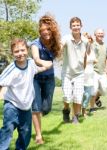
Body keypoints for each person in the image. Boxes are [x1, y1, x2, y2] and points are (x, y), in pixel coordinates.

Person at [0, 38, 52, 150]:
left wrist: (46, 66)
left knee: (26, 132)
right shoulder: (11, 69)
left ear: (27, 50)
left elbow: (36, 70)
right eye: (16, 51)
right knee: (8, 128)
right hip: (12, 105)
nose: (20, 54)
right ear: (12, 53)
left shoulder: (31, 63)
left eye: (22, 50)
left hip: (26, 106)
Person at [31, 14, 61, 144]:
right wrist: (44, 63)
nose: (45, 32)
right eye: (42, 30)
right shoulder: (35, 43)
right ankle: (38, 135)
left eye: (48, 29)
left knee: (47, 108)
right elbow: (36, 59)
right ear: (40, 31)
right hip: (36, 78)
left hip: (49, 78)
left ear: (52, 30)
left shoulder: (55, 43)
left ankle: (36, 116)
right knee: (35, 107)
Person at [61, 17, 88, 124]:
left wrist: (83, 69)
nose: (76, 27)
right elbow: (60, 45)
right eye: (73, 25)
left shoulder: (85, 41)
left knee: (78, 96)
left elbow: (86, 55)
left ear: (81, 26)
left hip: (79, 73)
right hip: (67, 73)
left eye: (78, 25)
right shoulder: (66, 38)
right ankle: (66, 110)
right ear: (70, 27)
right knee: (67, 97)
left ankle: (75, 116)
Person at [89, 28, 107, 112]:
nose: (100, 35)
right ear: (95, 35)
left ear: (104, 35)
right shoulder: (92, 44)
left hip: (102, 71)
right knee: (93, 90)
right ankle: (92, 108)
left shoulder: (105, 45)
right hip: (93, 71)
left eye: (102, 33)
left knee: (104, 90)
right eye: (98, 33)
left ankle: (97, 97)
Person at [82, 33, 97, 117]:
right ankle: (77, 112)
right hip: (81, 74)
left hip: (90, 75)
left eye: (90, 39)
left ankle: (84, 111)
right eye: (87, 39)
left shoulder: (92, 51)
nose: (89, 41)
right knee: (80, 95)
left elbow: (95, 60)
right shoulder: (80, 50)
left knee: (87, 95)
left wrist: (92, 61)